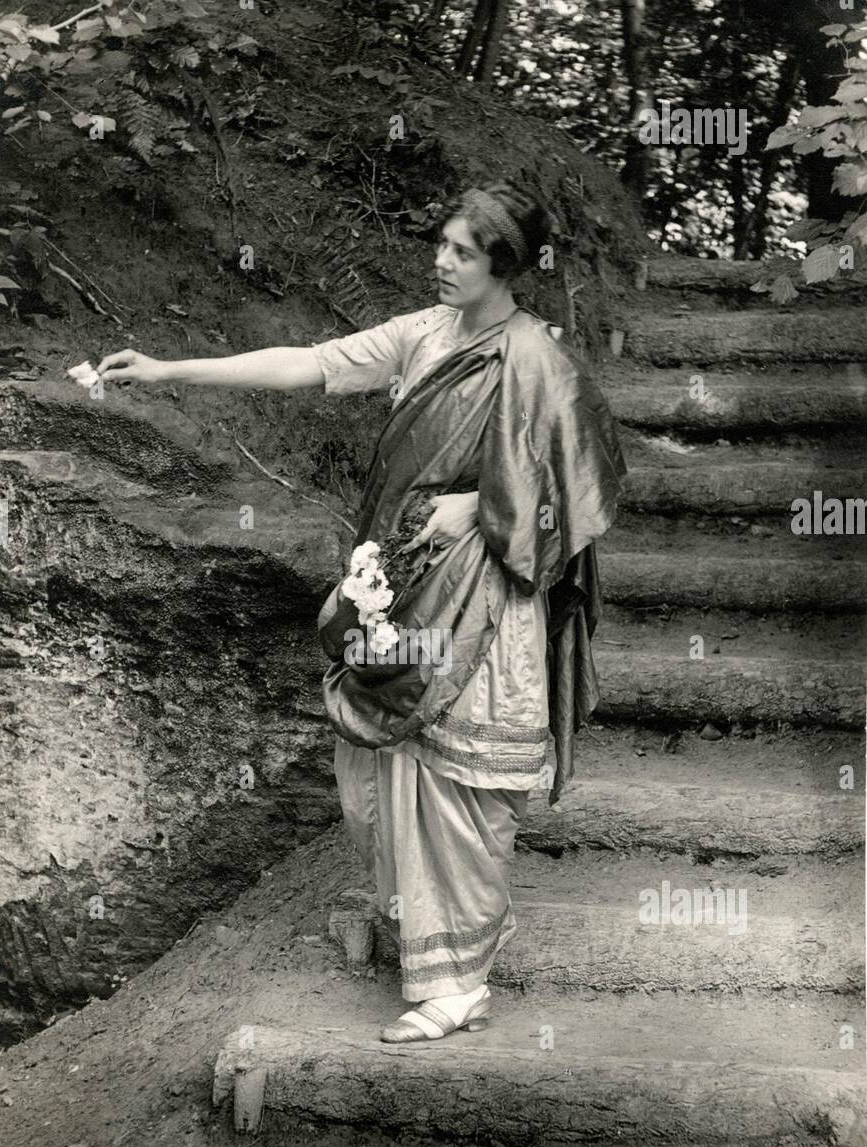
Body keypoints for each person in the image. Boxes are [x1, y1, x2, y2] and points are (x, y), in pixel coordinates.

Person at [95, 179, 627, 1045]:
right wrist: (166, 370)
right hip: (402, 578)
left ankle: (458, 985)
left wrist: (481, 504)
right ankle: (431, 930)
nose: (441, 261)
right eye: (441, 245)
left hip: (484, 600)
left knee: (462, 781)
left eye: (461, 251)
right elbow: (309, 363)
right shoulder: (424, 334)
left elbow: (582, 483)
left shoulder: (538, 359)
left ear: (503, 263)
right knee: (381, 764)